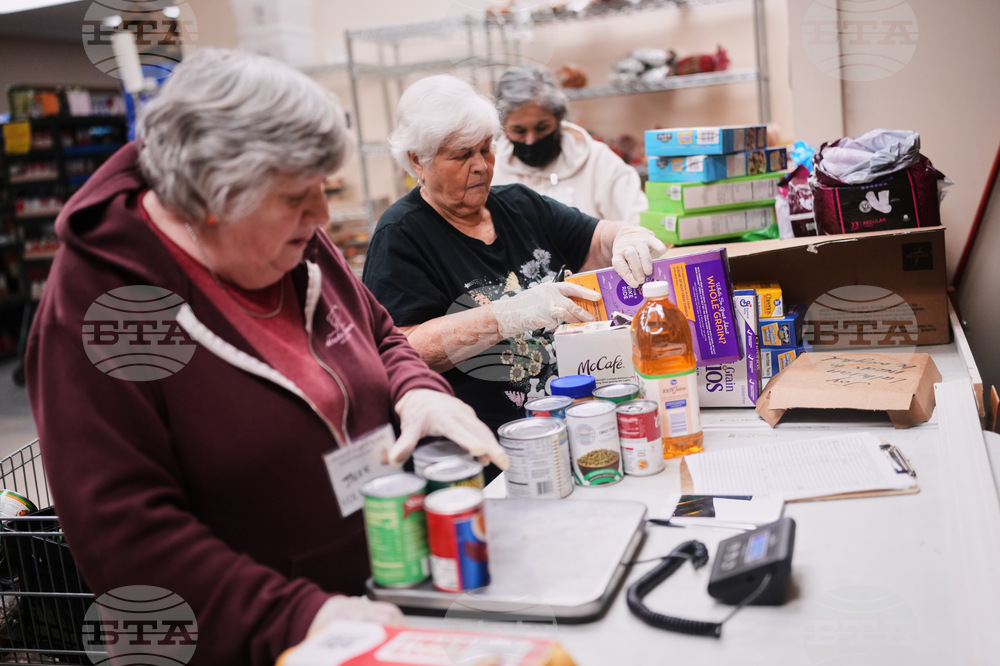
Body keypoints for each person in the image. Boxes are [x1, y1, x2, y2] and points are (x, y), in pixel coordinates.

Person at [25, 49, 506, 666]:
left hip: (383, 590)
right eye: (297, 197)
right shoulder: (101, 308)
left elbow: (380, 335)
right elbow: (125, 535)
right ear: (209, 198)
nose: (321, 216)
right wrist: (300, 618)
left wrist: (417, 391)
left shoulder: (292, 238)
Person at [362, 74, 666, 436]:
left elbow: (597, 240)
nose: (481, 165)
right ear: (417, 161)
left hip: (573, 422)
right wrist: (507, 316)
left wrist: (624, 236)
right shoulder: (401, 234)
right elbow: (401, 348)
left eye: (485, 149)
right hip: (486, 442)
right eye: (462, 155)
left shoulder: (522, 205)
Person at [491, 64, 648, 225]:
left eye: (542, 128)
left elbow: (639, 224)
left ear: (559, 117)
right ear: (502, 126)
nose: (531, 141)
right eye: (519, 131)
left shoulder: (598, 162)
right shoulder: (493, 169)